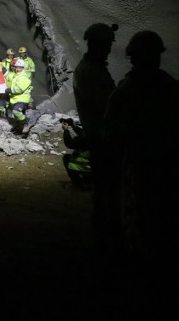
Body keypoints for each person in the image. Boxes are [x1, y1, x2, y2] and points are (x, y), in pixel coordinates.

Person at [103, 31, 179, 268]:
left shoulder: (126, 92)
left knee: (139, 212)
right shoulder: (171, 87)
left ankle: (142, 260)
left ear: (133, 58)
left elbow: (111, 130)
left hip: (139, 162)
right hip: (166, 161)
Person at [73, 22, 118, 253]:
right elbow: (106, 105)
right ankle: (105, 241)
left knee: (106, 188)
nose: (109, 49)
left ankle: (105, 235)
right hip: (102, 138)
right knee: (106, 189)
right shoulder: (90, 71)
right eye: (107, 44)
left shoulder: (93, 68)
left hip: (100, 135)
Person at [60, 118, 92, 190]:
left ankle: (76, 184)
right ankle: (88, 183)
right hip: (96, 168)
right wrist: (74, 126)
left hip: (85, 167)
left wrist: (66, 130)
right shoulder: (97, 132)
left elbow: (70, 144)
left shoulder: (82, 139)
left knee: (67, 158)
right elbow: (83, 133)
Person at [5, 58, 33, 134]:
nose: (17, 69)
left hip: (23, 99)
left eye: (19, 67)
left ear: (22, 68)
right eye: (16, 67)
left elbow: (19, 89)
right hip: (16, 99)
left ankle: (26, 124)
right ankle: (19, 129)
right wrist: (3, 70)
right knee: (18, 115)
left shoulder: (23, 77)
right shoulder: (16, 75)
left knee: (16, 111)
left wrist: (10, 90)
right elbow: (9, 77)